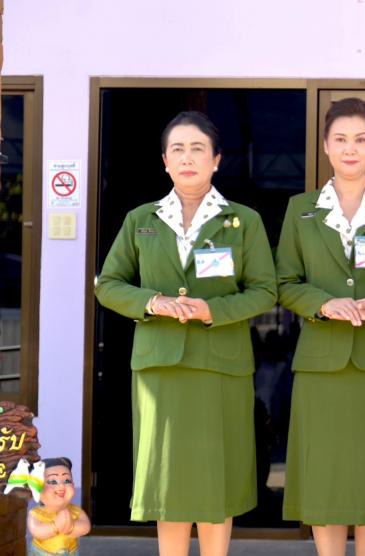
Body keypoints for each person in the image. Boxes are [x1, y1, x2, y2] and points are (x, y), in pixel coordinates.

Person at [95, 111, 277, 556]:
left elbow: (265, 291)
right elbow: (108, 285)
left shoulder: (243, 221)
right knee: (168, 480)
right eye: (177, 149)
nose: (187, 157)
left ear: (216, 159)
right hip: (161, 370)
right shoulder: (141, 219)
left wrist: (213, 309)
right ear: (164, 161)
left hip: (221, 368)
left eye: (198, 148)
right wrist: (152, 302)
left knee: (217, 481)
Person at [276, 98, 365, 556]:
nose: (350, 148)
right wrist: (324, 304)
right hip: (321, 363)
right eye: (340, 139)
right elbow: (283, 283)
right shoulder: (300, 209)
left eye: (361, 139)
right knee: (326, 473)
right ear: (325, 146)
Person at [27, 458, 92, 556]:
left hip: (71, 553)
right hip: (43, 553)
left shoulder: (76, 510)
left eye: (67, 481)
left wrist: (71, 527)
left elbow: (86, 527)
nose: (61, 486)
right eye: (53, 482)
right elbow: (36, 531)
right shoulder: (36, 513)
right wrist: (55, 526)